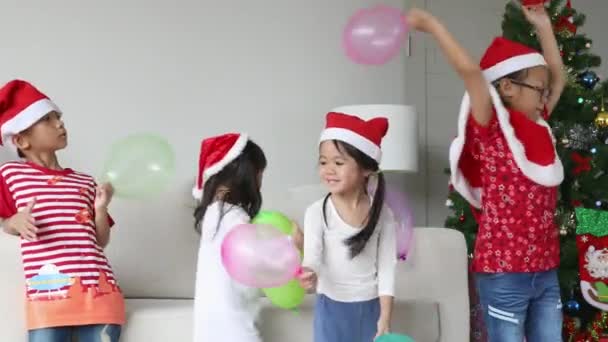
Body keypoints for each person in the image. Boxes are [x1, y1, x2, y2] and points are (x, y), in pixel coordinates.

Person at [407, 3, 566, 340]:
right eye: (539, 88)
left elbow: (558, 74)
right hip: (504, 273)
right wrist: (434, 26)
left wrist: (542, 24)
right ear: (507, 87)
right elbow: (470, 73)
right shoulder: (493, 127)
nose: (545, 95)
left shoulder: (540, 125)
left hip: (545, 271)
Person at [0, 79, 124, 342]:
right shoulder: (10, 174)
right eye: (47, 119)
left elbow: (100, 241)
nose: (60, 123)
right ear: (21, 140)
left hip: (100, 297)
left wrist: (101, 208)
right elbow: (5, 221)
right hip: (48, 297)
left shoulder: (86, 181)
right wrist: (14, 221)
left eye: (58, 117)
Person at [300, 112, 398, 342]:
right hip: (330, 309)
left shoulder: (384, 214)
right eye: (323, 162)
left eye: (338, 162)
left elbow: (387, 269)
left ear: (366, 169)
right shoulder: (316, 212)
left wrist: (385, 316)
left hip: (370, 308)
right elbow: (312, 258)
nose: (328, 169)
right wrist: (309, 274)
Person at [191, 132, 268, 342]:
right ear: (245, 174)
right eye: (259, 173)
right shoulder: (235, 217)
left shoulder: (211, 215)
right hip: (236, 328)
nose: (261, 179)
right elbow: (258, 266)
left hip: (208, 328)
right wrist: (292, 243)